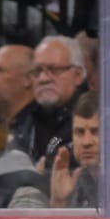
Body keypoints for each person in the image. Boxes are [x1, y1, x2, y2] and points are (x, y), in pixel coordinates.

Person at [16, 35, 84, 166]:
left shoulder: (93, 119)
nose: (43, 79)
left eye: (55, 69)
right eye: (37, 71)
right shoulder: (24, 120)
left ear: (78, 75)